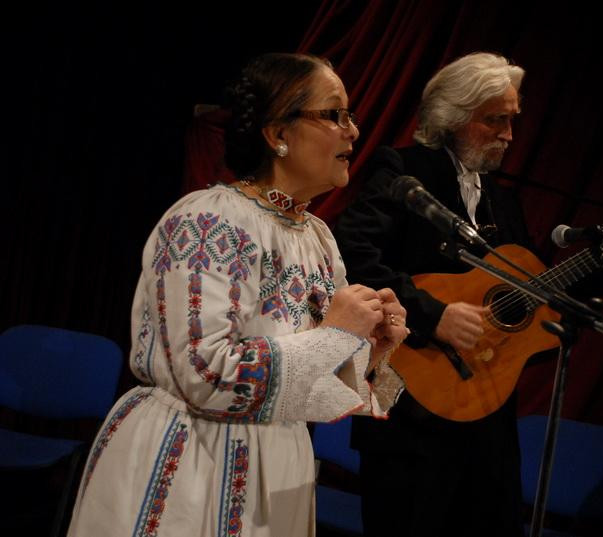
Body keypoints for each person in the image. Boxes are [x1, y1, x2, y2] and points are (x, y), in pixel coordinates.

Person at [67, 52, 408, 537]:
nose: (352, 130)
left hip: (279, 466)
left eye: (349, 116)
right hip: (194, 459)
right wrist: (334, 335)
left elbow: (313, 391)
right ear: (278, 133)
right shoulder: (208, 219)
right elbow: (204, 373)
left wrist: (369, 351)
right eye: (334, 114)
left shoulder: (318, 238)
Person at [333, 52, 603, 537]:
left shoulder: (501, 200)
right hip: (410, 415)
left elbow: (541, 290)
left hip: (486, 414)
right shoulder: (403, 172)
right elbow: (352, 257)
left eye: (512, 121)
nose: (509, 136)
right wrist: (433, 315)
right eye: (495, 120)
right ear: (453, 116)